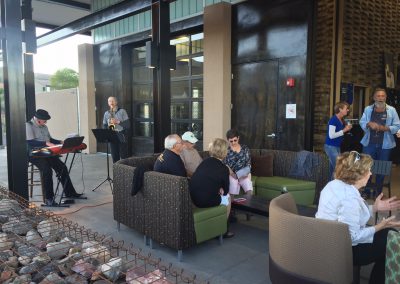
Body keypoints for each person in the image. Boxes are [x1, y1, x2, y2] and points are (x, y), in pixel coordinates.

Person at [316, 151, 400, 284]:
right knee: (392, 240)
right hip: (343, 252)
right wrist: (379, 226)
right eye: (368, 170)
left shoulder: (333, 185)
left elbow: (352, 216)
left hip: (326, 243)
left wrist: (375, 208)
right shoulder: (349, 198)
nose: (371, 174)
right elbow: (353, 237)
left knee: (389, 235)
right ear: (358, 175)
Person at [26, 109, 83, 206]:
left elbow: (50, 139)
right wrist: (45, 143)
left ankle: (70, 193)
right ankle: (49, 199)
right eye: (45, 120)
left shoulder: (44, 126)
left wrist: (61, 142)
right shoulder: (28, 125)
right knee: (47, 170)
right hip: (34, 154)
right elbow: (29, 142)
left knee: (62, 167)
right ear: (38, 119)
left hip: (47, 152)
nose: (46, 122)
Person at [189, 138, 234, 238]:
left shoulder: (205, 162)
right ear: (224, 151)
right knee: (228, 198)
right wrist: (221, 189)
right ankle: (223, 229)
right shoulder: (223, 168)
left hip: (193, 198)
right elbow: (226, 190)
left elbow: (204, 180)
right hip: (204, 201)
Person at [359, 88, 400, 196]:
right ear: (374, 97)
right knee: (366, 168)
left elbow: (397, 126)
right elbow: (362, 122)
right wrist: (369, 124)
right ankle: (367, 191)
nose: (381, 98)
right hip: (369, 144)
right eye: (378, 96)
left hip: (385, 146)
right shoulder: (368, 109)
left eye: (383, 96)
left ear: (386, 97)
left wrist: (384, 128)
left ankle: (378, 192)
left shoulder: (392, 110)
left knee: (381, 170)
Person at [324, 101, 352, 179]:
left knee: (333, 170)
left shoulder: (341, 120)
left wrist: (346, 128)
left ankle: (330, 188)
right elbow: (331, 135)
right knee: (338, 168)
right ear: (340, 109)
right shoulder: (333, 120)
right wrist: (344, 130)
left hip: (336, 146)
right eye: (346, 109)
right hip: (330, 146)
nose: (348, 110)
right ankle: (334, 188)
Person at [223, 129, 253, 197]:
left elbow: (248, 164)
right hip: (232, 174)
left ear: (238, 138)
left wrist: (245, 173)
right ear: (228, 140)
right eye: (231, 141)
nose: (233, 143)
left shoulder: (245, 149)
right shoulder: (226, 151)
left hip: (244, 174)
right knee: (232, 188)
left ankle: (248, 205)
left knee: (249, 190)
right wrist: (231, 173)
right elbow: (225, 165)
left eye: (235, 140)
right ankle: (232, 206)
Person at [102, 96, 130, 163]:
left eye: (113, 101)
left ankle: (126, 171)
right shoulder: (106, 113)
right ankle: (116, 171)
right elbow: (105, 126)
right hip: (112, 136)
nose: (111, 102)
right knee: (114, 156)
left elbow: (127, 125)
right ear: (108, 103)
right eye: (109, 101)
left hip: (121, 135)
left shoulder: (122, 111)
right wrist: (106, 134)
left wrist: (117, 122)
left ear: (116, 102)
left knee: (124, 156)